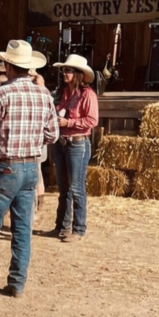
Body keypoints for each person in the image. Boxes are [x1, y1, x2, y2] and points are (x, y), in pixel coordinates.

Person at [0, 39, 59, 299]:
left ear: (9, 66)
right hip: (31, 166)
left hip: (6, 166)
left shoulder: (1, 94)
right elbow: (53, 134)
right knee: (22, 228)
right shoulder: (44, 94)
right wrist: (32, 140)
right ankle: (17, 284)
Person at [52, 53, 99, 242]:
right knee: (64, 188)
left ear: (78, 73)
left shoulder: (88, 94)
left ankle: (78, 229)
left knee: (76, 188)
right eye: (64, 70)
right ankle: (63, 227)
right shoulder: (62, 92)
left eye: (68, 70)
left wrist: (68, 122)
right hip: (63, 143)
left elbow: (92, 120)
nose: (64, 73)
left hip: (77, 144)